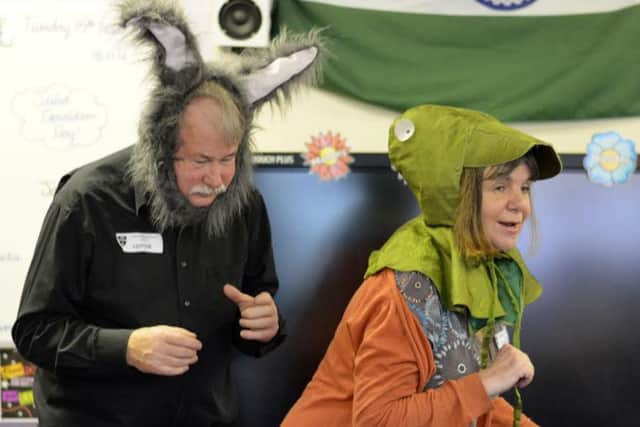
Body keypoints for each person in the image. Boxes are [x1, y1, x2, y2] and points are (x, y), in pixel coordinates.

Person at [11, 1, 322, 426]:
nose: (216, 179)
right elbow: (35, 332)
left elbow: (257, 305)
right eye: (199, 161)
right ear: (161, 149)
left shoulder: (244, 205)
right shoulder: (86, 202)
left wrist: (266, 325)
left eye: (228, 159)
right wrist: (126, 347)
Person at [281, 104, 562, 427]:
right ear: (455, 194)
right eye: (500, 186)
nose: (520, 204)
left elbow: (463, 402)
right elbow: (378, 420)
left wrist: (491, 391)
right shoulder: (407, 288)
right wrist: (488, 382)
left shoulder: (476, 273)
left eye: (524, 187)